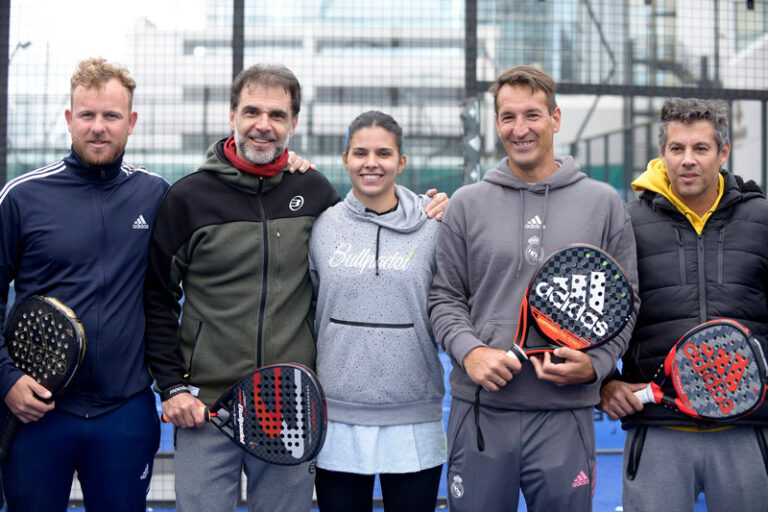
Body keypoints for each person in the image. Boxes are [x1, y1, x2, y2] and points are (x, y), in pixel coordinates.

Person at [144, 65, 447, 511]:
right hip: (207, 409)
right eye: (251, 111)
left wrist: (429, 206)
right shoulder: (187, 197)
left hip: (290, 405)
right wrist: (172, 387)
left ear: (294, 123)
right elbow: (157, 297)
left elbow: (367, 216)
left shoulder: (313, 190)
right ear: (232, 116)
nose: (263, 125)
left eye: (277, 114)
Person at [427, 65, 639, 512]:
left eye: (532, 115)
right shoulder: (466, 203)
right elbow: (444, 296)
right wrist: (471, 352)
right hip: (481, 412)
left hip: (566, 417)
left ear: (555, 118)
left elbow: (626, 300)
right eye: (507, 117)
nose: (519, 129)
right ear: (497, 122)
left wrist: (596, 364)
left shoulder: (603, 203)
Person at [0, 58, 168, 511]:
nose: (98, 127)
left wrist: (288, 162)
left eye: (111, 116)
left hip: (125, 412)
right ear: (69, 118)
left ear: (130, 122)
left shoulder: (156, 195)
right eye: (87, 115)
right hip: (36, 411)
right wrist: (7, 378)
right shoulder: (21, 197)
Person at [598, 98, 768, 512]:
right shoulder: (626, 224)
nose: (687, 160)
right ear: (663, 153)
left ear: (723, 152)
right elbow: (600, 320)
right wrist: (605, 382)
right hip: (658, 429)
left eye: (700, 149)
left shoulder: (762, 219)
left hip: (746, 429)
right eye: (677, 149)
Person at [308, 111, 445, 511]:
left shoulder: (435, 223)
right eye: (361, 153)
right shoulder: (321, 226)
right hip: (337, 414)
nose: (372, 162)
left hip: (413, 414)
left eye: (384, 153)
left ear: (401, 162)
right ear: (346, 159)